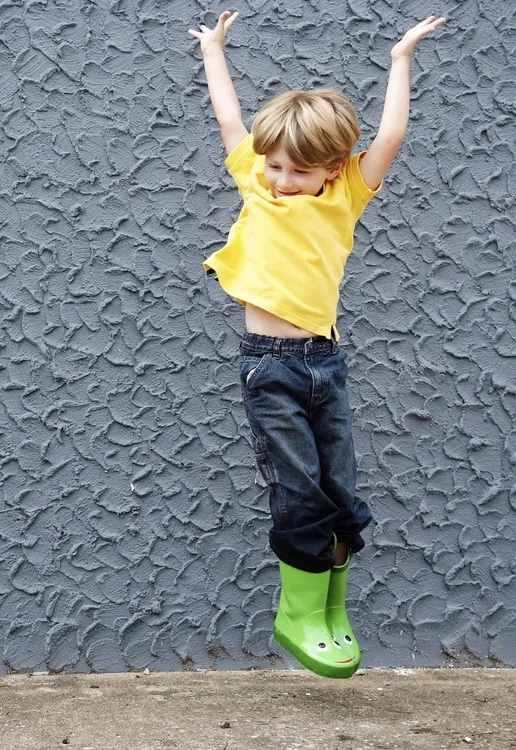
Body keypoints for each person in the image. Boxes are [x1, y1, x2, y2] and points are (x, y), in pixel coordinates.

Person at [188, 10, 446, 678]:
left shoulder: (345, 196)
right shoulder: (257, 184)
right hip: (269, 368)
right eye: (272, 166)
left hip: (325, 364)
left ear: (333, 169)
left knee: (341, 497)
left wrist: (400, 60)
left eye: (296, 172)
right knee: (297, 493)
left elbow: (390, 135)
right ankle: (297, 613)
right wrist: (215, 51)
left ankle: (333, 610)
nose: (278, 180)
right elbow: (228, 121)